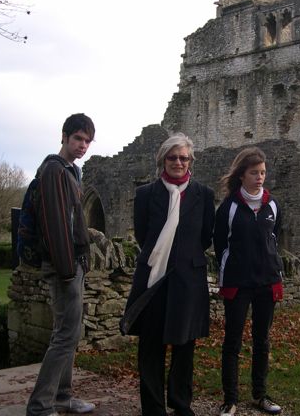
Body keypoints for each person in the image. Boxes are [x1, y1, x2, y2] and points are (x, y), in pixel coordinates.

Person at [121, 132, 215, 416]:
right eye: (173, 157)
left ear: (190, 161)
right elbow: (142, 234)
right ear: (163, 159)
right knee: (151, 345)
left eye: (183, 158)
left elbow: (205, 237)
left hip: (188, 278)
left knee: (184, 344)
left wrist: (184, 257)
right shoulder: (146, 195)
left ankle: (181, 403)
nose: (178, 162)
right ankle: (153, 408)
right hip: (154, 279)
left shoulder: (203, 195)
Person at [26, 113, 96, 416]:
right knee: (65, 335)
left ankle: (62, 397)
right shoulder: (54, 171)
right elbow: (56, 224)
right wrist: (68, 269)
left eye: (87, 141)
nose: (82, 145)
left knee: (69, 332)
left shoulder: (71, 172)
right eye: (78, 138)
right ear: (65, 137)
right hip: (64, 266)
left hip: (72, 264)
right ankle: (40, 406)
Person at [214, 147, 284, 416]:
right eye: (254, 172)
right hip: (238, 283)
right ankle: (230, 400)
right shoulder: (228, 208)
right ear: (241, 175)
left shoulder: (273, 205)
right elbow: (221, 243)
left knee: (262, 340)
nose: (260, 177)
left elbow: (274, 238)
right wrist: (232, 270)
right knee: (232, 341)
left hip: (266, 282)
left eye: (263, 172)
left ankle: (260, 395)